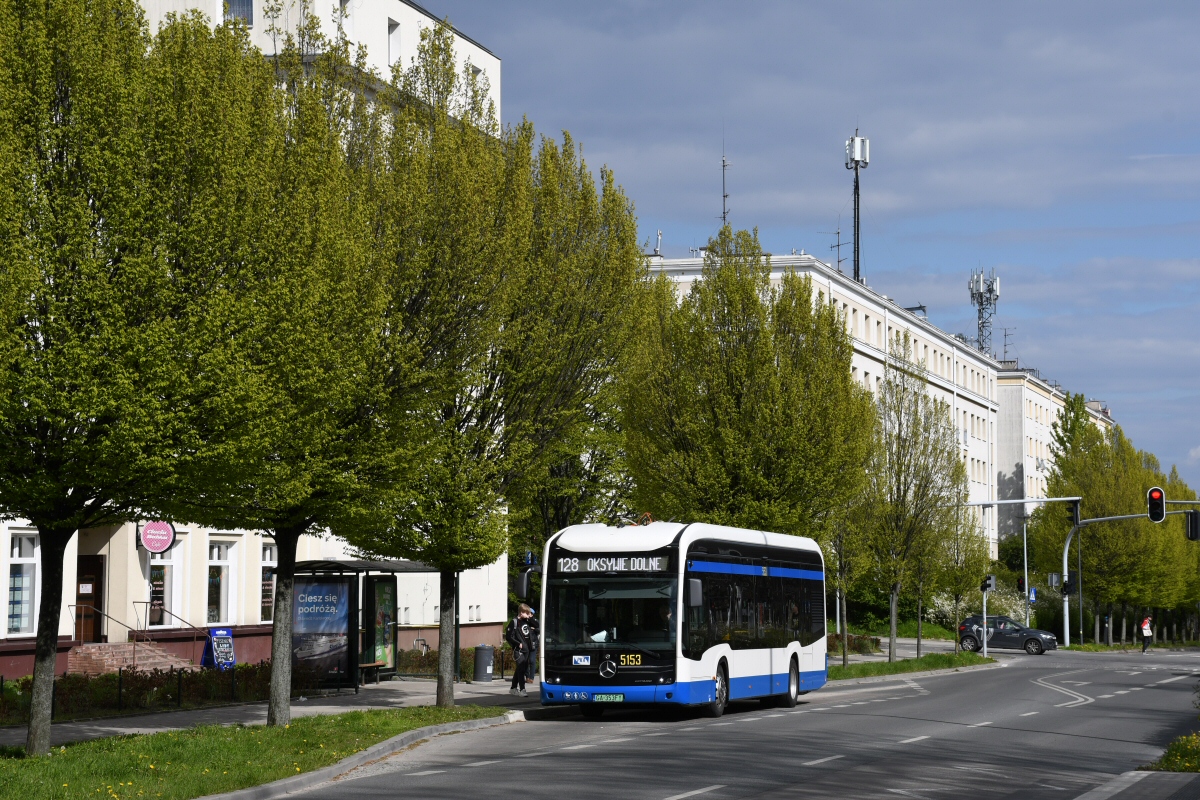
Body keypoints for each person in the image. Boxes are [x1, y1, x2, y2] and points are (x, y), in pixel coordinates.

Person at [506, 603, 535, 697]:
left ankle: (513, 688)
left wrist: (530, 618)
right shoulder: (514, 622)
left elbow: (537, 625)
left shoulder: (526, 621)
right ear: (521, 612)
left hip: (527, 650)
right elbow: (508, 637)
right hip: (518, 650)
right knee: (521, 669)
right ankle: (522, 689)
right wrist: (518, 644)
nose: (528, 615)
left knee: (520, 669)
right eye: (527, 613)